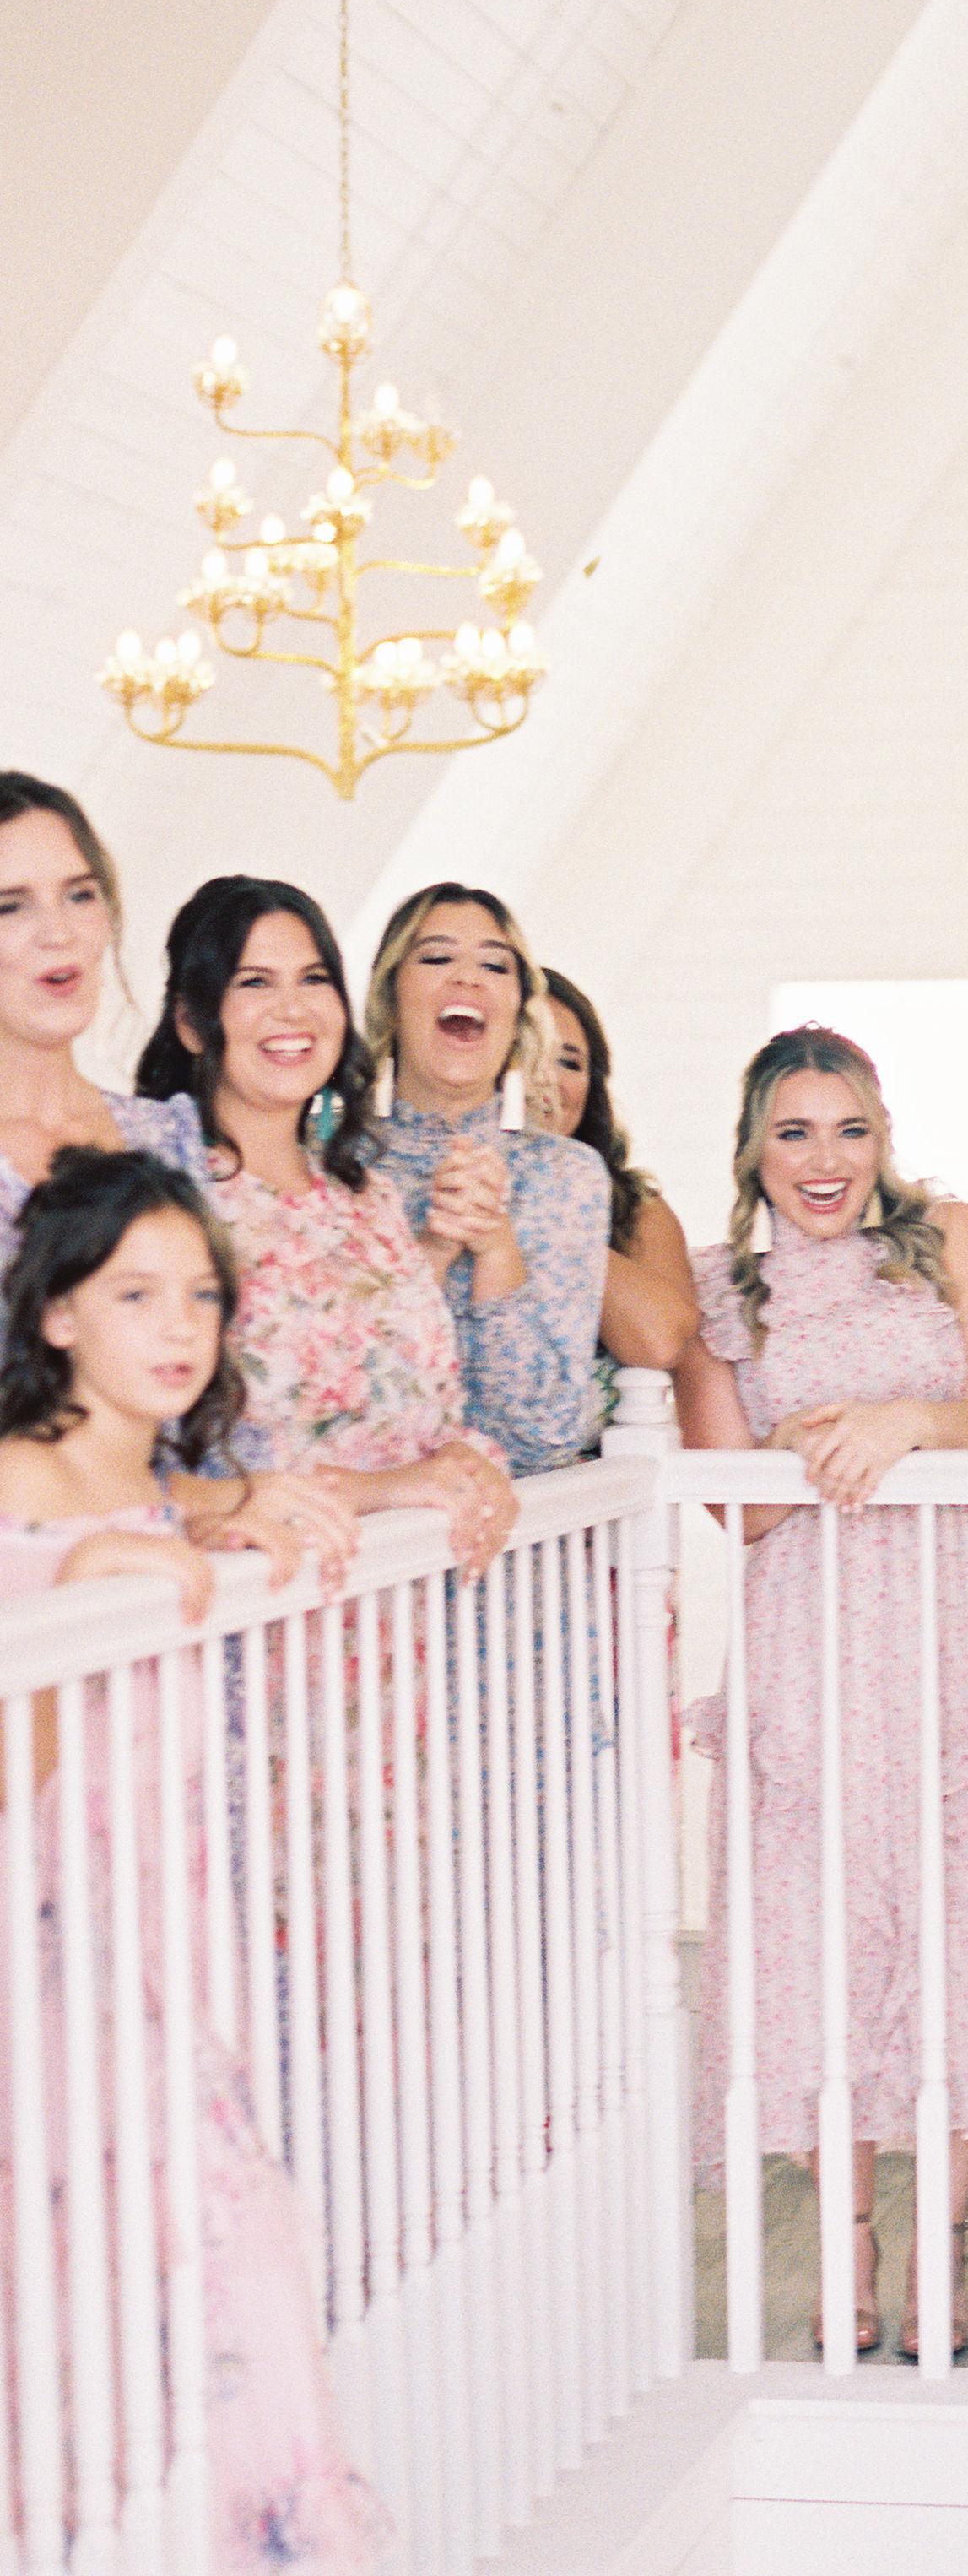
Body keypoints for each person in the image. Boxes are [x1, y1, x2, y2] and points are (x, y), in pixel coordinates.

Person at [0, 1147, 387, 2568]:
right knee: (134, 2315)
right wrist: (69, 1597)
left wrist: (233, 1510)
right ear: (56, 1312)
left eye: (203, 1295)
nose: (180, 1326)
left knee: (211, 2311)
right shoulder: (16, 1484)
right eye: (136, 1294)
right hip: (53, 1980)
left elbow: (182, 1507)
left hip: (167, 1968)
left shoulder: (160, 1482)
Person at [673, 1026, 968, 2357]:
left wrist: (903, 1423)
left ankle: (940, 2251)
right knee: (817, 1945)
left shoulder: (950, 1237)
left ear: (882, 1136)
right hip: (813, 1635)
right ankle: (844, 2245)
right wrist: (796, 1455)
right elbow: (735, 1508)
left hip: (962, 1624)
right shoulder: (718, 1290)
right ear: (753, 1148)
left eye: (848, 1129)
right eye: (794, 1133)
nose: (824, 1160)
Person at [0, 773, 354, 1580]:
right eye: (10, 906)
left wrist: (228, 1503)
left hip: (163, 1592)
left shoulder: (166, 1137)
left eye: (80, 895)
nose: (58, 933)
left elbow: (201, 1423)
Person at [135, 875, 515, 1570]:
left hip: (399, 1599)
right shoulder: (163, 1196)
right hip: (261, 1590)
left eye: (314, 980)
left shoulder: (367, 1196)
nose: (293, 1009)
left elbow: (424, 1400)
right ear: (191, 1021)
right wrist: (388, 1488)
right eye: (254, 982)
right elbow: (141, 1457)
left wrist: (465, 1461)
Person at [365, 884, 608, 1476]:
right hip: (370, 1521)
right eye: (436, 957)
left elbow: (545, 1435)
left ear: (518, 1010)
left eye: (495, 966)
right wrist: (434, 1249)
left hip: (523, 1526)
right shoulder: (333, 1170)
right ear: (391, 997)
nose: (467, 979)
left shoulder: (566, 1176)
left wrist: (497, 1251)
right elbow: (341, 1412)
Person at [541, 966, 697, 1405]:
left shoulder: (635, 1209)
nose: (548, 1080)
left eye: (569, 1063)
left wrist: (544, 1203)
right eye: (526, 1054)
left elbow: (661, 1343)